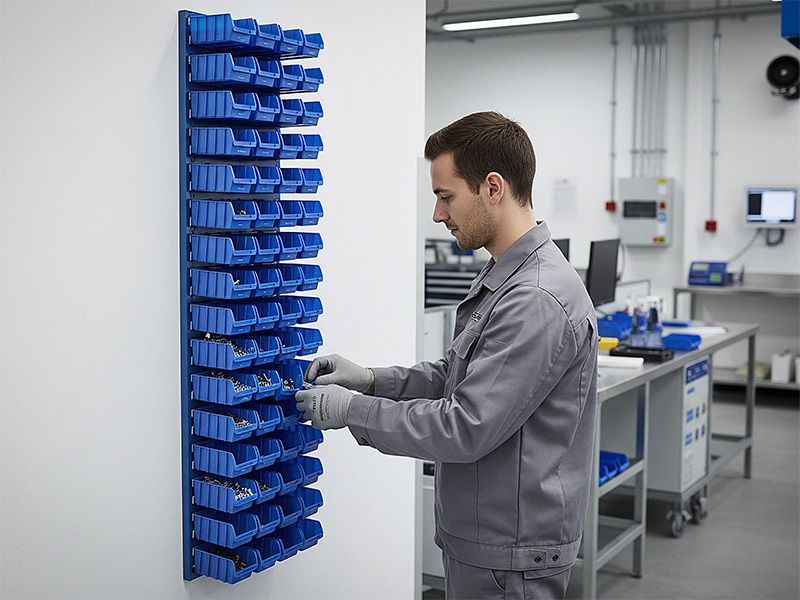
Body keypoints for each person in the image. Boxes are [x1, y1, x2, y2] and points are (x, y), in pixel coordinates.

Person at [295, 111, 598, 600]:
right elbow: (456, 375)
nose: (438, 214)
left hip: (509, 557)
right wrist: (371, 380)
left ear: (493, 187)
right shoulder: (507, 277)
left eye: (445, 196)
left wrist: (353, 411)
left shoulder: (536, 298)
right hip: (487, 542)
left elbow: (466, 426)